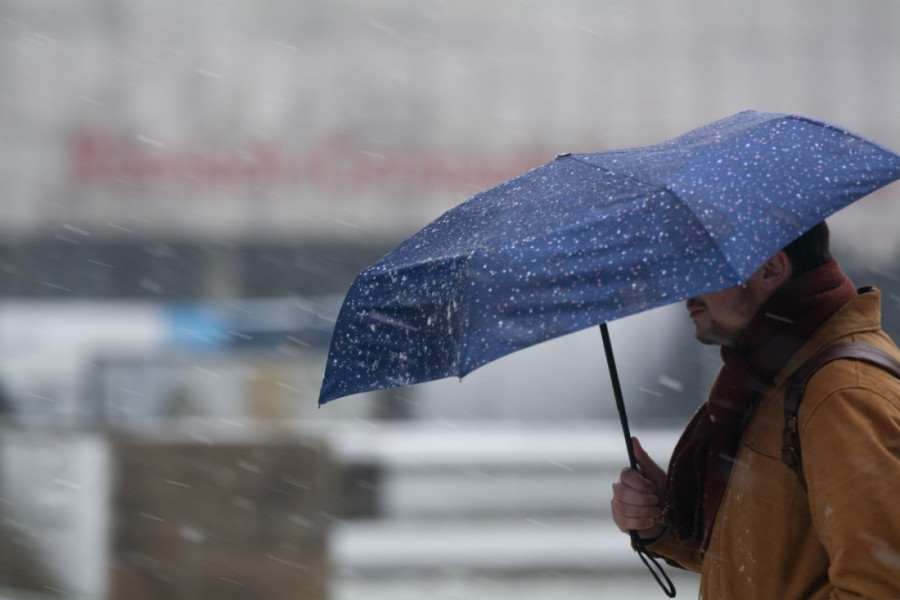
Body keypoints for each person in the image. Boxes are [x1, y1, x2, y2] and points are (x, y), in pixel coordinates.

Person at [611, 221, 900, 599]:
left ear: (770, 270)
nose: (686, 292)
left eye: (703, 269)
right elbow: (773, 569)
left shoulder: (840, 393)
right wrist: (663, 521)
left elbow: (881, 586)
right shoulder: (781, 373)